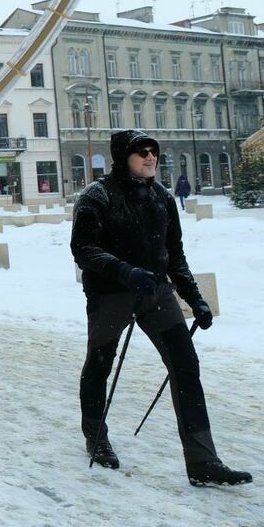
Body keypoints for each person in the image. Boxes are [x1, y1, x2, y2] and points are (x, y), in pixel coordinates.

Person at [71, 129, 252, 487]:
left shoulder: (161, 197)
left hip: (156, 293)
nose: (151, 157)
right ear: (124, 157)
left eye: (153, 152)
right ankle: (96, 435)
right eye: (142, 152)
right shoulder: (97, 195)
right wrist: (123, 270)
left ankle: (203, 460)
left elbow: (174, 256)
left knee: (186, 365)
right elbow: (83, 249)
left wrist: (195, 297)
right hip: (111, 294)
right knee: (100, 363)